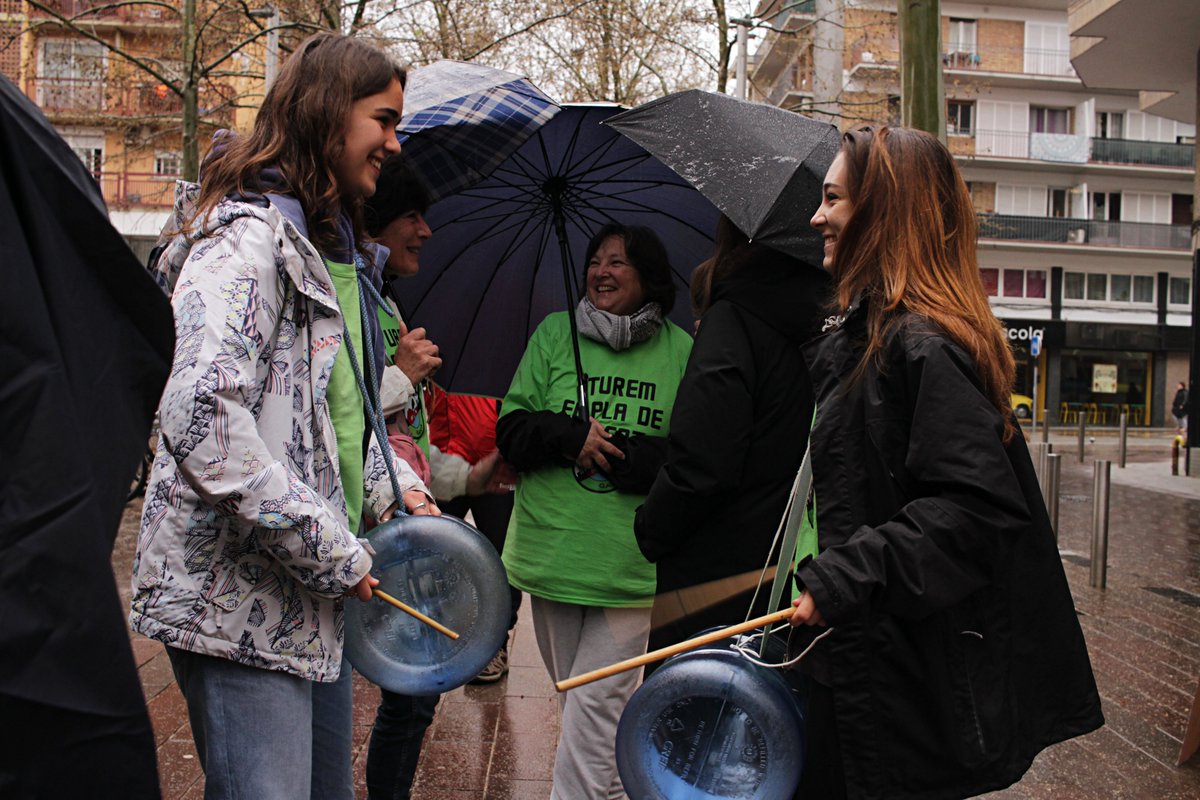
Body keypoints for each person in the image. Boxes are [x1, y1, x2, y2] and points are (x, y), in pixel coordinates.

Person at [129, 33, 437, 800]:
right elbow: (201, 413)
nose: (394, 144)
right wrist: (331, 545)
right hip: (231, 603)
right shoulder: (243, 242)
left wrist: (397, 489)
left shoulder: (325, 251)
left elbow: (331, 426)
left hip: (306, 598)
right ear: (328, 113)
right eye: (384, 120)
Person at [788, 125, 1104, 799]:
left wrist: (847, 573)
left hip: (903, 682)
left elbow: (973, 508)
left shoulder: (922, 344)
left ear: (881, 211)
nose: (817, 216)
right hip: (866, 659)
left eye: (834, 199)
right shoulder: (869, 338)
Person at [496, 223, 693, 800]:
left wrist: (622, 454)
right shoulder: (556, 335)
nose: (601, 272)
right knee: (587, 711)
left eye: (618, 262)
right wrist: (569, 435)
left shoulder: (681, 350)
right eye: (595, 261)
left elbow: (691, 454)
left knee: (592, 708)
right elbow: (511, 431)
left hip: (629, 568)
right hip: (553, 554)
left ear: (649, 278)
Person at [361, 154, 513, 799]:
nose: (425, 230)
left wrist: (471, 479)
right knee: (407, 691)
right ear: (376, 221)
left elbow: (407, 447)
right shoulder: (359, 302)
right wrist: (401, 375)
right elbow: (347, 424)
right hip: (368, 538)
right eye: (412, 217)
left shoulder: (385, 303)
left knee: (414, 695)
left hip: (407, 520)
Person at [634, 214, 830, 658]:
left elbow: (702, 460)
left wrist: (652, 526)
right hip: (786, 573)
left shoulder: (735, 317)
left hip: (712, 580)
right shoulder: (828, 321)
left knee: (693, 716)